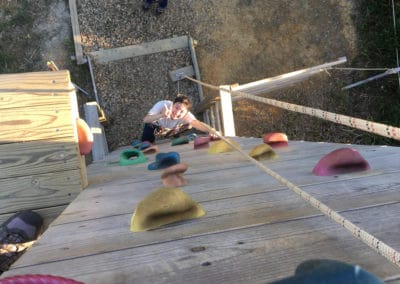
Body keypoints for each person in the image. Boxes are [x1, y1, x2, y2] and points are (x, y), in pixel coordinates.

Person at [141, 94, 212, 143]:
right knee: (146, 143)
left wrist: (211, 131)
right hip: (156, 124)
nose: (177, 113)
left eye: (182, 111)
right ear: (172, 104)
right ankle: (162, 134)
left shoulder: (187, 115)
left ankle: (173, 133)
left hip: (172, 128)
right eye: (176, 108)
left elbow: (198, 124)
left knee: (190, 125)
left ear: (186, 113)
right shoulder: (162, 104)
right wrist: (161, 115)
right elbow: (146, 119)